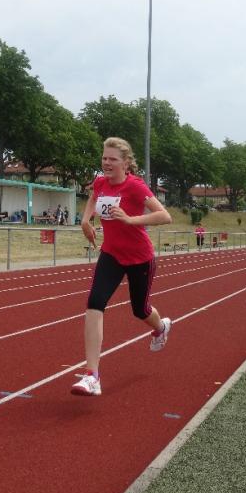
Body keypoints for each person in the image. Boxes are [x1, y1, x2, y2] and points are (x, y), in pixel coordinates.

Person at [71, 137, 173, 396]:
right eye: (104, 158)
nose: (106, 163)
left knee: (140, 310)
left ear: (126, 163)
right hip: (111, 255)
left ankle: (161, 327)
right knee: (95, 302)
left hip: (140, 257)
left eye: (113, 159)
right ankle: (92, 376)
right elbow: (93, 198)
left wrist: (130, 219)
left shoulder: (135, 186)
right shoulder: (100, 182)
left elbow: (165, 216)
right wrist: (85, 221)